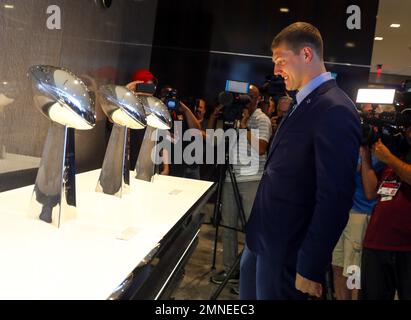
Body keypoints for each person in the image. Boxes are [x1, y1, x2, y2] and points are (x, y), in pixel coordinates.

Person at [240, 22, 361, 300]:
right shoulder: (301, 101)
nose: (276, 70)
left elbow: (335, 196)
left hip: (288, 251)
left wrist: (310, 264)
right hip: (261, 240)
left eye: (281, 61)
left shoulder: (335, 108)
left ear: (306, 55)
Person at [211, 85, 272, 289]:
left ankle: (249, 274)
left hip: (251, 179)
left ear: (257, 99)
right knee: (228, 226)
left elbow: (261, 148)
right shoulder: (234, 116)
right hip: (231, 176)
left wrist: (245, 126)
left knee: (251, 228)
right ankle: (230, 269)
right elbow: (218, 141)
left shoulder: (261, 119)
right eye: (245, 98)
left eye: (251, 98)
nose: (247, 102)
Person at [360, 135, 411, 300]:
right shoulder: (394, 164)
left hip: (406, 246)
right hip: (377, 244)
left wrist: (388, 158)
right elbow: (370, 192)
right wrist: (366, 157)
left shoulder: (393, 162)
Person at [331, 145, 384, 300]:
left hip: (361, 215)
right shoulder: (347, 138)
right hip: (340, 213)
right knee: (338, 268)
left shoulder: (379, 143)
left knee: (355, 272)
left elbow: (370, 191)